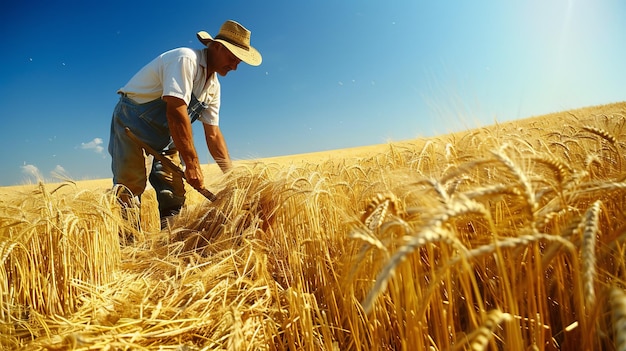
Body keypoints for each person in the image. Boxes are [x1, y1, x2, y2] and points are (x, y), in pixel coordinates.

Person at [108, 20, 262, 230]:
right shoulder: (185, 59)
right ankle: (128, 247)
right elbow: (176, 111)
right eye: (232, 57)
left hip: (169, 136)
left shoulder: (214, 87)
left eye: (239, 61)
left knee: (173, 191)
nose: (235, 66)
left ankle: (170, 244)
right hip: (132, 125)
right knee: (130, 187)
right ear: (216, 46)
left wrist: (233, 179)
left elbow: (214, 135)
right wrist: (192, 164)